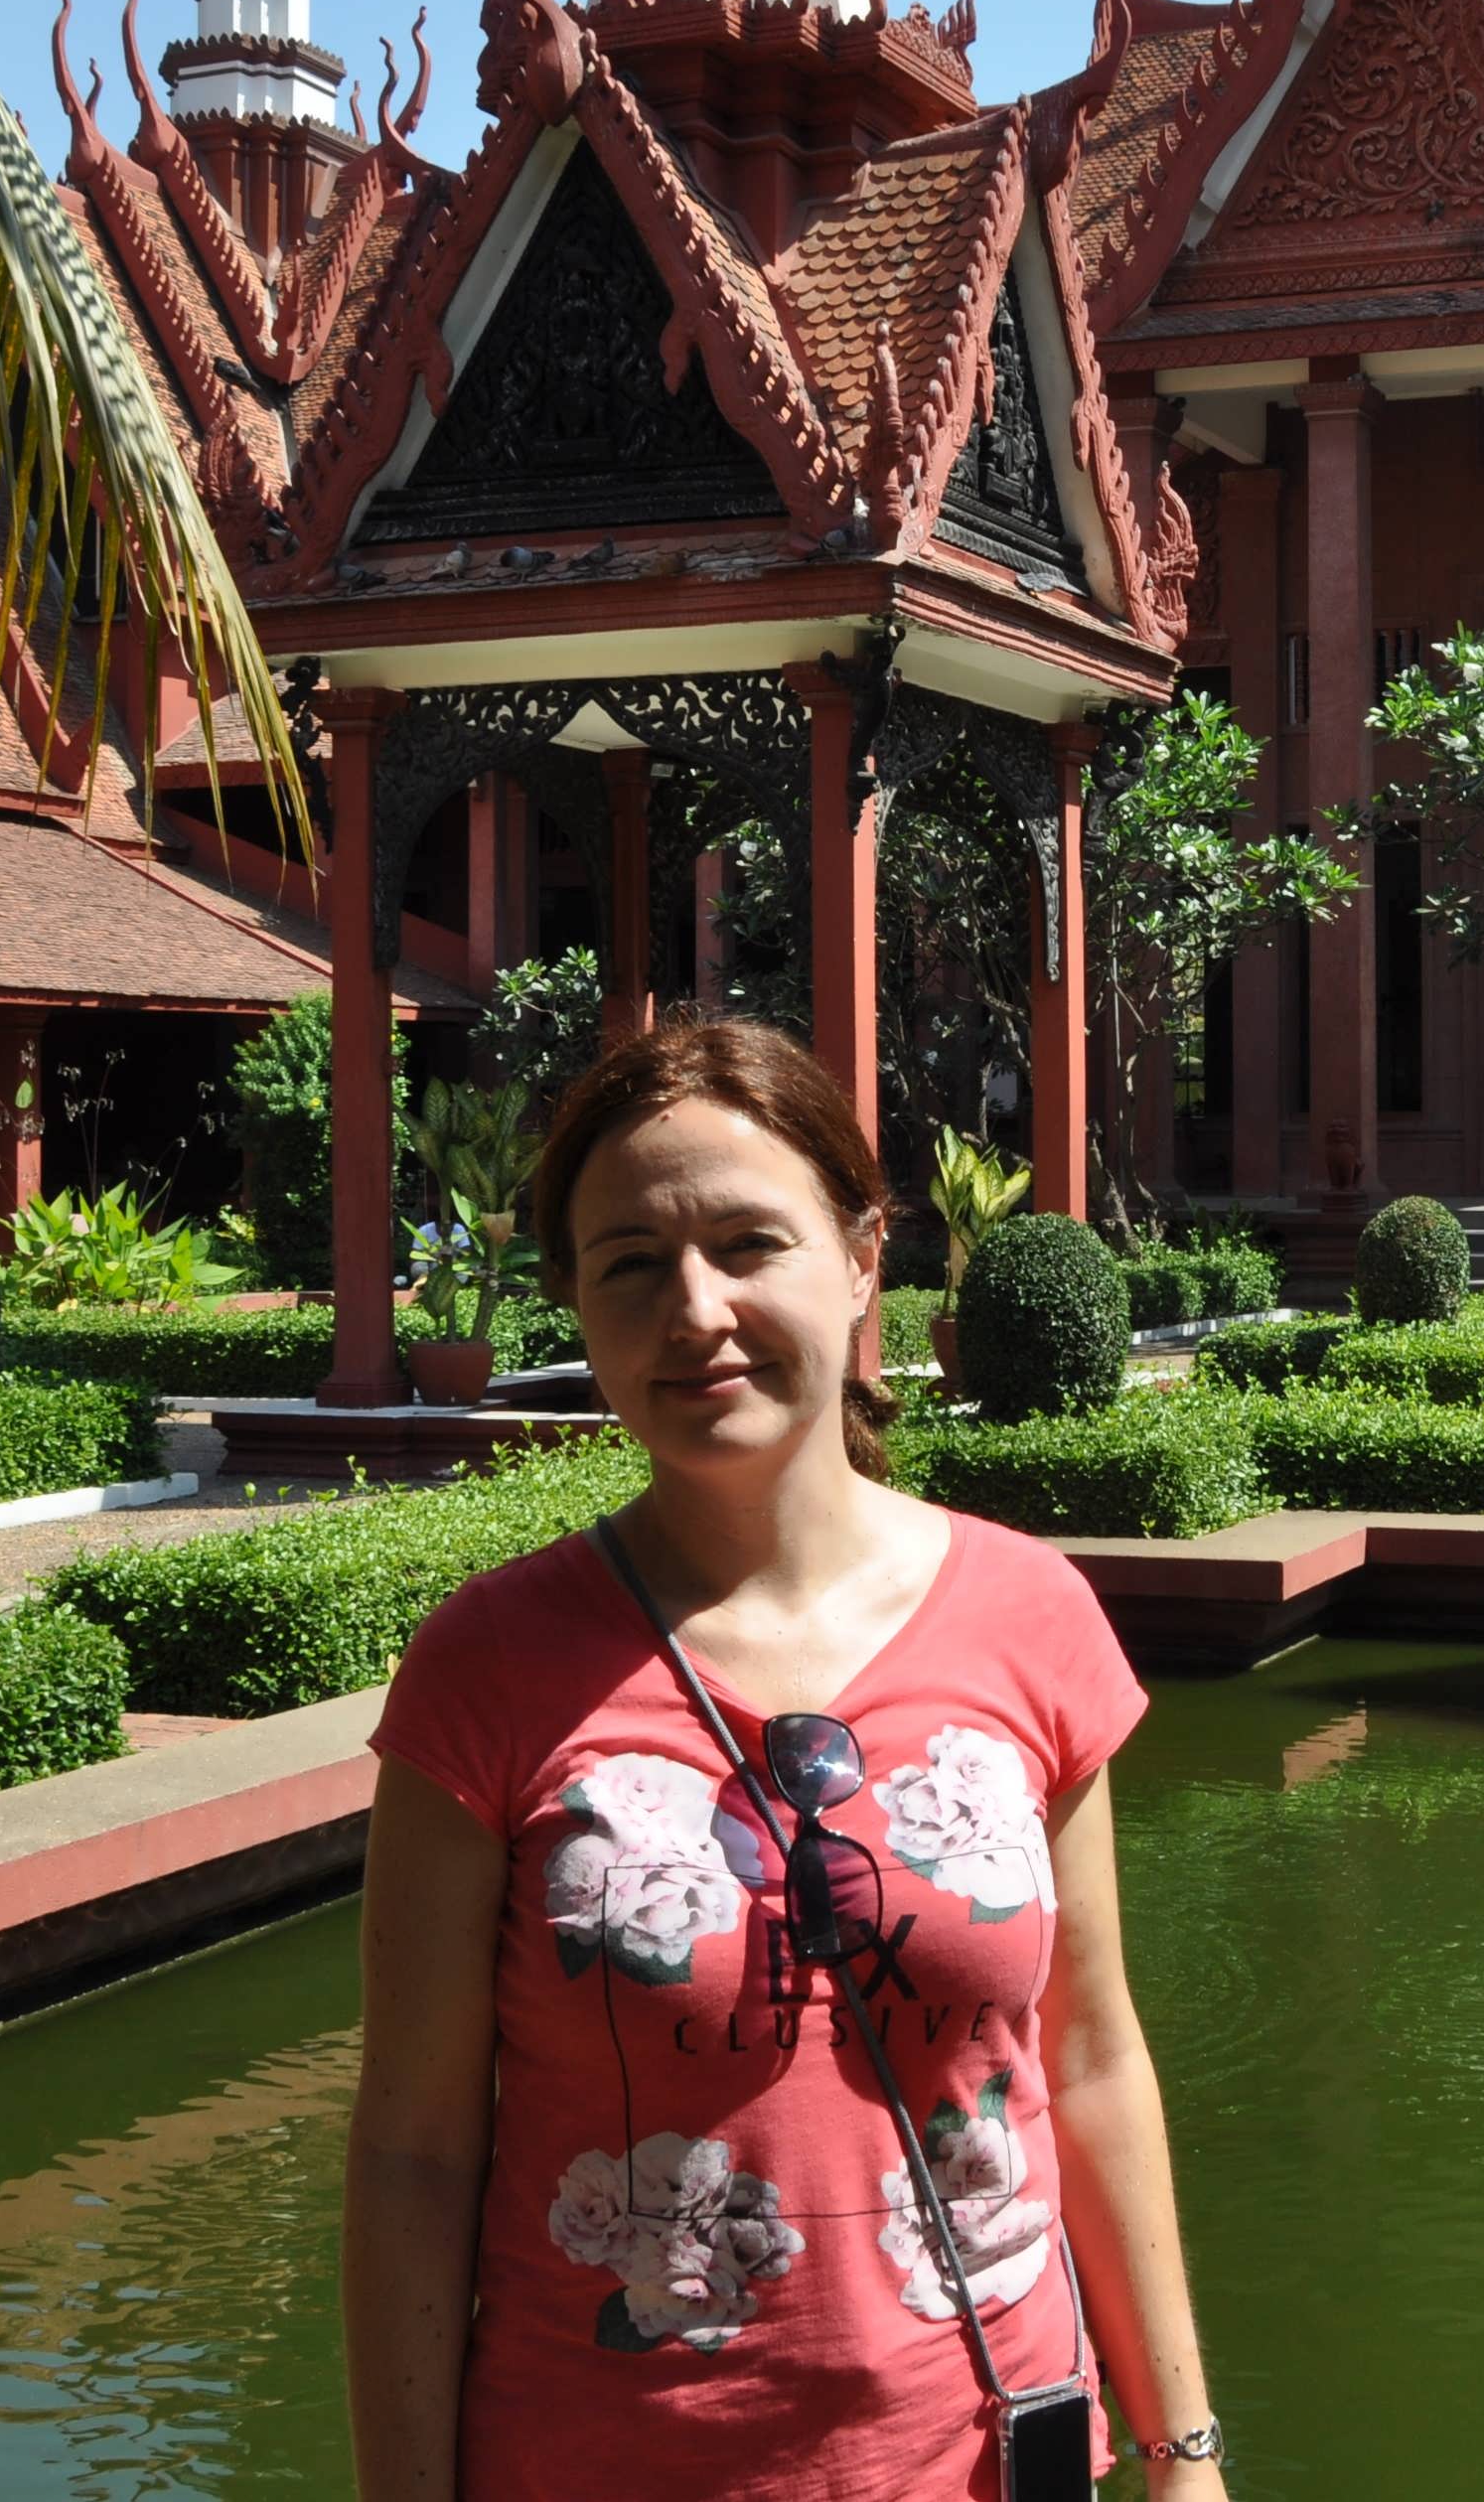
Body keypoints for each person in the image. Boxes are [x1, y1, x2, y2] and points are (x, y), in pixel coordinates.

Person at [345, 1016, 1226, 2500]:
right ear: (575, 1300)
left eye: (751, 1244)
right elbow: (415, 2151)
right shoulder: (488, 1671)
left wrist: (1182, 2454)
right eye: (631, 1263)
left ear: (864, 1255)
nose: (697, 1311)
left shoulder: (1032, 1617)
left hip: (993, 2449)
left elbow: (1090, 2061)